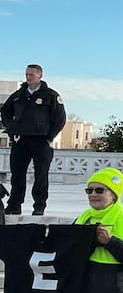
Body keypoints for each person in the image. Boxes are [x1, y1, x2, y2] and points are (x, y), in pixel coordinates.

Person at [3, 64, 67, 216]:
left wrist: (50, 136)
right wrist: (12, 126)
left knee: (41, 175)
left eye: (31, 74)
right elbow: (5, 112)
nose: (28, 77)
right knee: (17, 174)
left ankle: (39, 206)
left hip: (41, 141)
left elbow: (60, 118)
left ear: (40, 76)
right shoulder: (18, 95)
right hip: (20, 140)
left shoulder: (50, 95)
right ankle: (14, 205)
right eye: (27, 74)